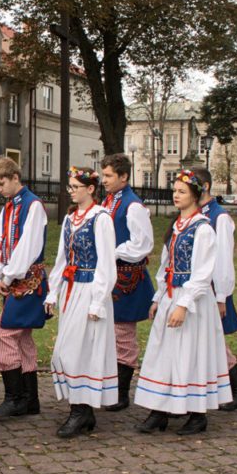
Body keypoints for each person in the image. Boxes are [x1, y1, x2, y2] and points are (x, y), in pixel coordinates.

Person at [134, 169, 231, 435]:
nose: (176, 196)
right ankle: (160, 410)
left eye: (182, 192)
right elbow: (167, 265)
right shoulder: (177, 227)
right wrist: (158, 296)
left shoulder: (203, 229)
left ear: (195, 195)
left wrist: (183, 304)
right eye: (175, 191)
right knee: (162, 353)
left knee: (190, 354)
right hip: (171, 295)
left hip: (193, 302)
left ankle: (197, 414)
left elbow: (202, 273)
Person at [44, 167, 118, 438]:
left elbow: (107, 264)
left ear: (90, 189)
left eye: (76, 186)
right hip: (72, 290)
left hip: (90, 290)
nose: (72, 190)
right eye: (70, 186)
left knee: (80, 351)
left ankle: (81, 411)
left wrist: (98, 301)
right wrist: (53, 291)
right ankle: (82, 411)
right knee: (64, 351)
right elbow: (62, 259)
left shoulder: (101, 219)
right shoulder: (71, 219)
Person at [0, 157, 48, 419]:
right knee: (22, 339)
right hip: (14, 281)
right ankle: (30, 399)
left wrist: (8, 277)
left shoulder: (33, 206)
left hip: (28, 282)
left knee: (3, 335)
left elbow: (27, 249)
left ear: (14, 177)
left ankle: (16, 398)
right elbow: (3, 244)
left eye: (2, 184)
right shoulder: (8, 208)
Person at [194, 167, 237, 410]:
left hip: (213, 288)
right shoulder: (194, 214)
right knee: (206, 339)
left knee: (214, 339)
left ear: (205, 186)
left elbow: (223, 260)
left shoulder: (219, 217)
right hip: (196, 288)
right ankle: (228, 388)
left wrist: (221, 297)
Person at [99, 153, 155, 412]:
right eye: (103, 175)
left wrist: (114, 251)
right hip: (111, 275)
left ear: (123, 176)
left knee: (123, 334)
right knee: (110, 332)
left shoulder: (132, 205)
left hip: (127, 278)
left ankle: (121, 392)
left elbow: (143, 244)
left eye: (109, 175)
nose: (104, 180)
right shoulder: (109, 201)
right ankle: (111, 386)